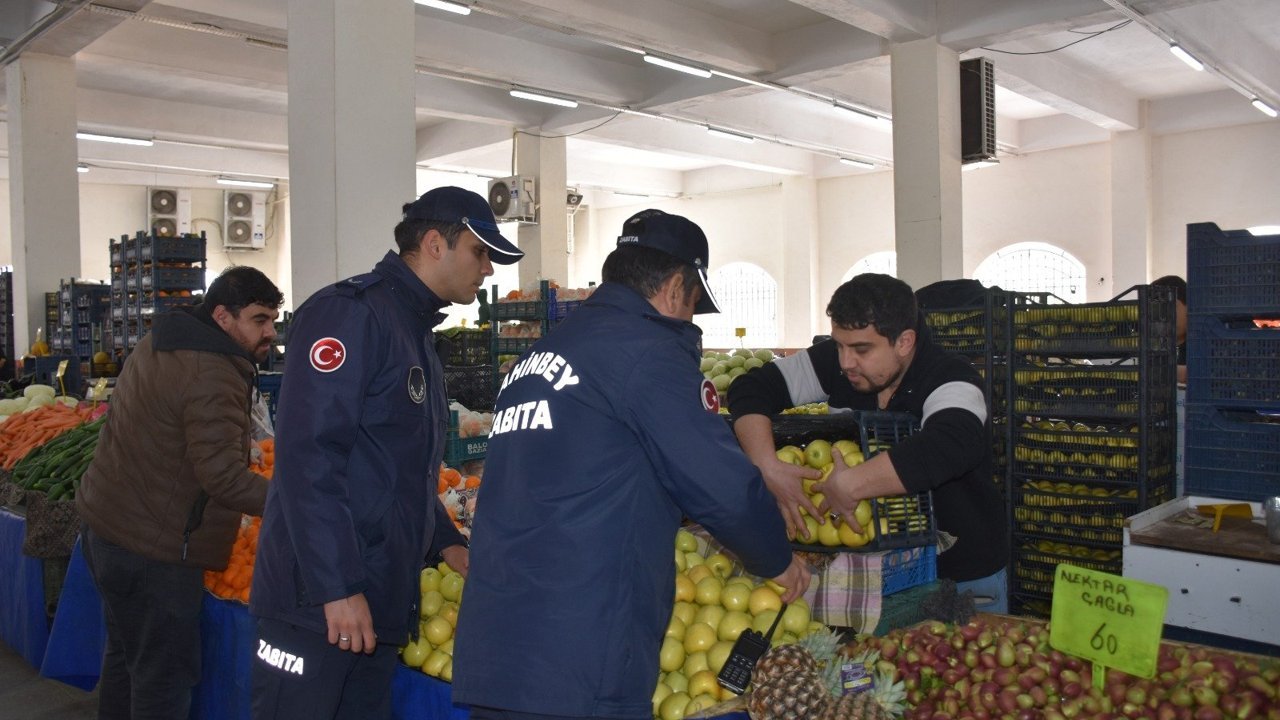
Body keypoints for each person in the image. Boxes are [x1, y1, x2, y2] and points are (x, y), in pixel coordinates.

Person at [451, 210, 810, 720]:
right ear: (676, 287)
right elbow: (721, 485)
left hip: (499, 648)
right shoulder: (648, 354)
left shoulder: (540, 355)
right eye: (693, 305)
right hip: (582, 656)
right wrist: (776, 558)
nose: (690, 321)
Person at [249, 186, 522, 720]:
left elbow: (398, 471)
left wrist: (446, 541)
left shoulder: (414, 330)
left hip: (376, 597)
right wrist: (337, 588)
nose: (488, 269)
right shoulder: (349, 315)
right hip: (316, 605)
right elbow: (309, 459)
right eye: (480, 252)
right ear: (436, 244)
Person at [728, 273, 1009, 612]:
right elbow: (751, 388)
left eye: (862, 349)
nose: (845, 362)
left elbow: (951, 443)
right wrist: (767, 466)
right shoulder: (837, 363)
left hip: (961, 574)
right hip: (870, 572)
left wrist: (852, 484)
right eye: (839, 345)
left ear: (904, 342)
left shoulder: (951, 378)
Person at [76, 266, 284, 719]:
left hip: (108, 526)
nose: (270, 332)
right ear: (223, 316)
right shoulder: (211, 370)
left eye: (273, 319)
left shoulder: (163, 339)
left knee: (126, 658)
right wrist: (295, 506)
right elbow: (223, 477)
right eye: (259, 319)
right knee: (163, 681)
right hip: (155, 550)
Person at [1151, 275, 1187, 384]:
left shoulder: (1205, 341)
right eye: (1157, 312)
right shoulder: (1154, 347)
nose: (1165, 317)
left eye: (1171, 307)